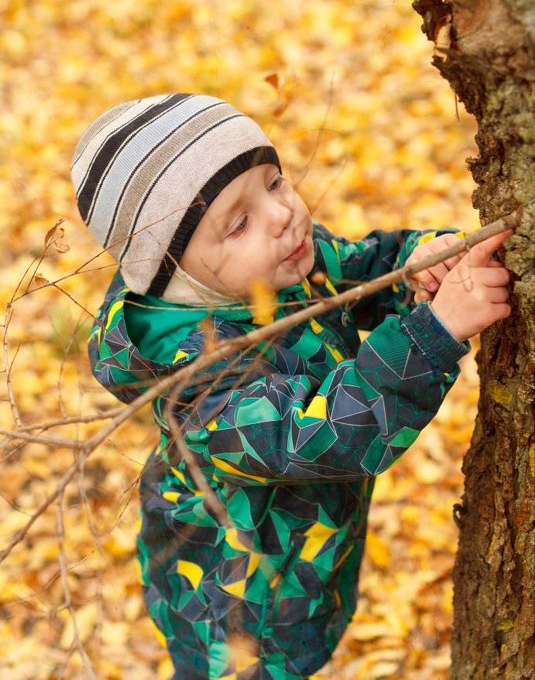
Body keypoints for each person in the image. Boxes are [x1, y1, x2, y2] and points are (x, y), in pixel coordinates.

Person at [71, 92, 511, 680]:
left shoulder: (281, 259)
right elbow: (317, 433)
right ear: (175, 273)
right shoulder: (195, 382)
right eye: (239, 222)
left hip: (307, 565)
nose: (282, 215)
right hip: (238, 611)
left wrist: (421, 263)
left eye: (274, 183)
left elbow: (365, 268)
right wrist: (433, 334)